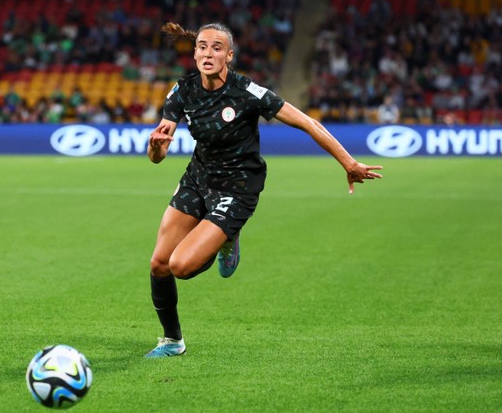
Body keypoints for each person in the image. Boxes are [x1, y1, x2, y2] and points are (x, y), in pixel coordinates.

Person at [144, 22, 383, 359]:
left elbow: (307, 122)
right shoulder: (182, 91)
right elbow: (158, 155)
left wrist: (348, 163)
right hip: (198, 178)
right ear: (194, 52)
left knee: (181, 266)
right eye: (201, 46)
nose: (207, 53)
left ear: (229, 55)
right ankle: (172, 341)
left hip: (238, 185)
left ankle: (227, 236)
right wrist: (155, 146)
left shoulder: (247, 92)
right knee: (158, 264)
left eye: (216, 47)